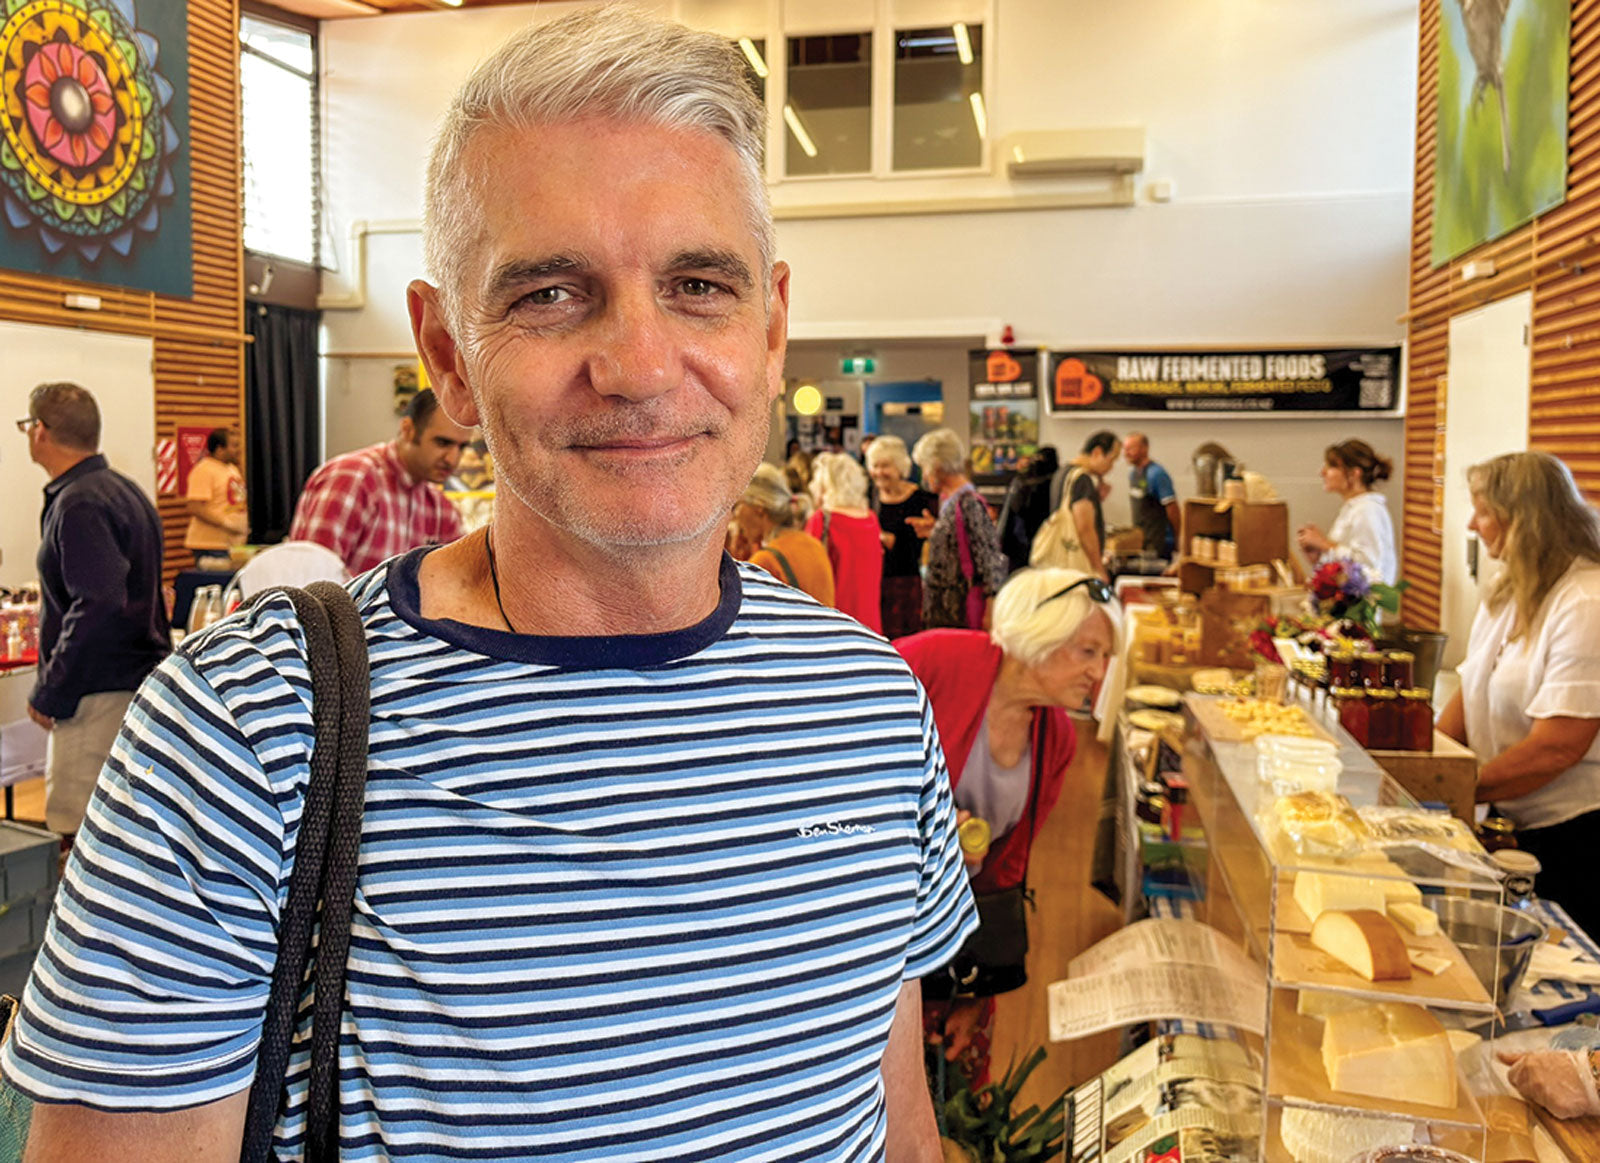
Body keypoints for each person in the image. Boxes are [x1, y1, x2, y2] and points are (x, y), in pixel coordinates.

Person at [4, 12, 978, 1159]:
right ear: (449, 357)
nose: (640, 366)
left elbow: (896, 1126)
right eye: (550, 295)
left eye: (699, 284)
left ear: (772, 331)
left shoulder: (863, 702)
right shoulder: (245, 734)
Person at [896, 567, 1119, 1088]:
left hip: (952, 943)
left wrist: (978, 995)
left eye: (1105, 657)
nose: (1098, 673)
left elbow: (1005, 874)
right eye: (1087, 651)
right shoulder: (936, 660)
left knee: (951, 1097)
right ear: (1042, 633)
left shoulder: (1055, 739)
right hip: (876, 930)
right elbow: (843, 746)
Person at [1437, 451, 1600, 938]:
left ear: (1522, 520)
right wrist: (1423, 768)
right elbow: (1471, 691)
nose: (1472, 523)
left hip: (1573, 835)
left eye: (1483, 511)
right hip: (1511, 817)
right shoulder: (1509, 591)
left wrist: (1460, 789)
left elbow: (1560, 745)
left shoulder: (1586, 601)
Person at [19, 382, 168, 838]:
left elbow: (99, 601)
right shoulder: (121, 489)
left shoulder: (80, 501)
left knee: (79, 836)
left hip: (95, 693)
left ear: (40, 431)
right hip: (130, 683)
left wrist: (53, 689)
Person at [288, 387, 473, 575]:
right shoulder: (353, 477)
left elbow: (463, 580)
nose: (453, 458)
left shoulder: (440, 508)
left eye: (462, 447)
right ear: (408, 430)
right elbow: (311, 579)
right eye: (442, 443)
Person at [910, 428, 1007, 630]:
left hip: (960, 609)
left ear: (936, 466)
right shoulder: (950, 500)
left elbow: (990, 559)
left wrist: (991, 609)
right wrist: (935, 531)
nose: (925, 476)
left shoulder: (968, 503)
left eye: (925, 469)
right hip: (947, 609)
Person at [1295, 438, 1398, 584]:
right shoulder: (1353, 508)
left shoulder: (1367, 510)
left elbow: (1368, 565)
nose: (1322, 472)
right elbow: (1345, 563)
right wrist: (1318, 557)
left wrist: (1324, 544)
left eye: (1331, 467)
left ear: (1354, 473)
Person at [733, 462, 836, 605]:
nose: (734, 516)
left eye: (736, 506)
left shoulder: (765, 562)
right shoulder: (815, 546)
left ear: (759, 508)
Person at [869, 435, 937, 639]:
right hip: (874, 583)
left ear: (900, 468)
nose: (879, 472)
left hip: (906, 583)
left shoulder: (921, 499)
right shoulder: (868, 495)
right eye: (875, 466)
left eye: (885, 466)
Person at [806, 451, 883, 632]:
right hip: (870, 624)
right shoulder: (871, 520)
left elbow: (808, 574)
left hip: (832, 623)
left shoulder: (822, 520)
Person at [1051, 430, 1121, 583]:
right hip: (1076, 566)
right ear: (1097, 452)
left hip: (1060, 564)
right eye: (1111, 460)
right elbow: (1085, 528)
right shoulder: (1082, 479)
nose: (1111, 467)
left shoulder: (1063, 473)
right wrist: (1098, 568)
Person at [182, 426, 248, 563]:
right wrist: (226, 524)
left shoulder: (232, 468)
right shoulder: (204, 470)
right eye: (234, 446)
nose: (239, 450)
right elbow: (194, 507)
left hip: (232, 544)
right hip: (210, 545)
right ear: (219, 449)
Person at [996, 446, 1059, 574]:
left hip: (1018, 546)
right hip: (1044, 544)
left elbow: (1008, 517)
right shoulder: (1055, 482)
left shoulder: (1020, 481)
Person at [1123, 431, 1179, 561]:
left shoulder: (1157, 474)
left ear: (1144, 449)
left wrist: (1178, 538)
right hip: (1142, 542)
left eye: (1130, 449)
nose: (1126, 453)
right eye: (1124, 449)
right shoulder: (1133, 474)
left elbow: (1173, 508)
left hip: (1160, 542)